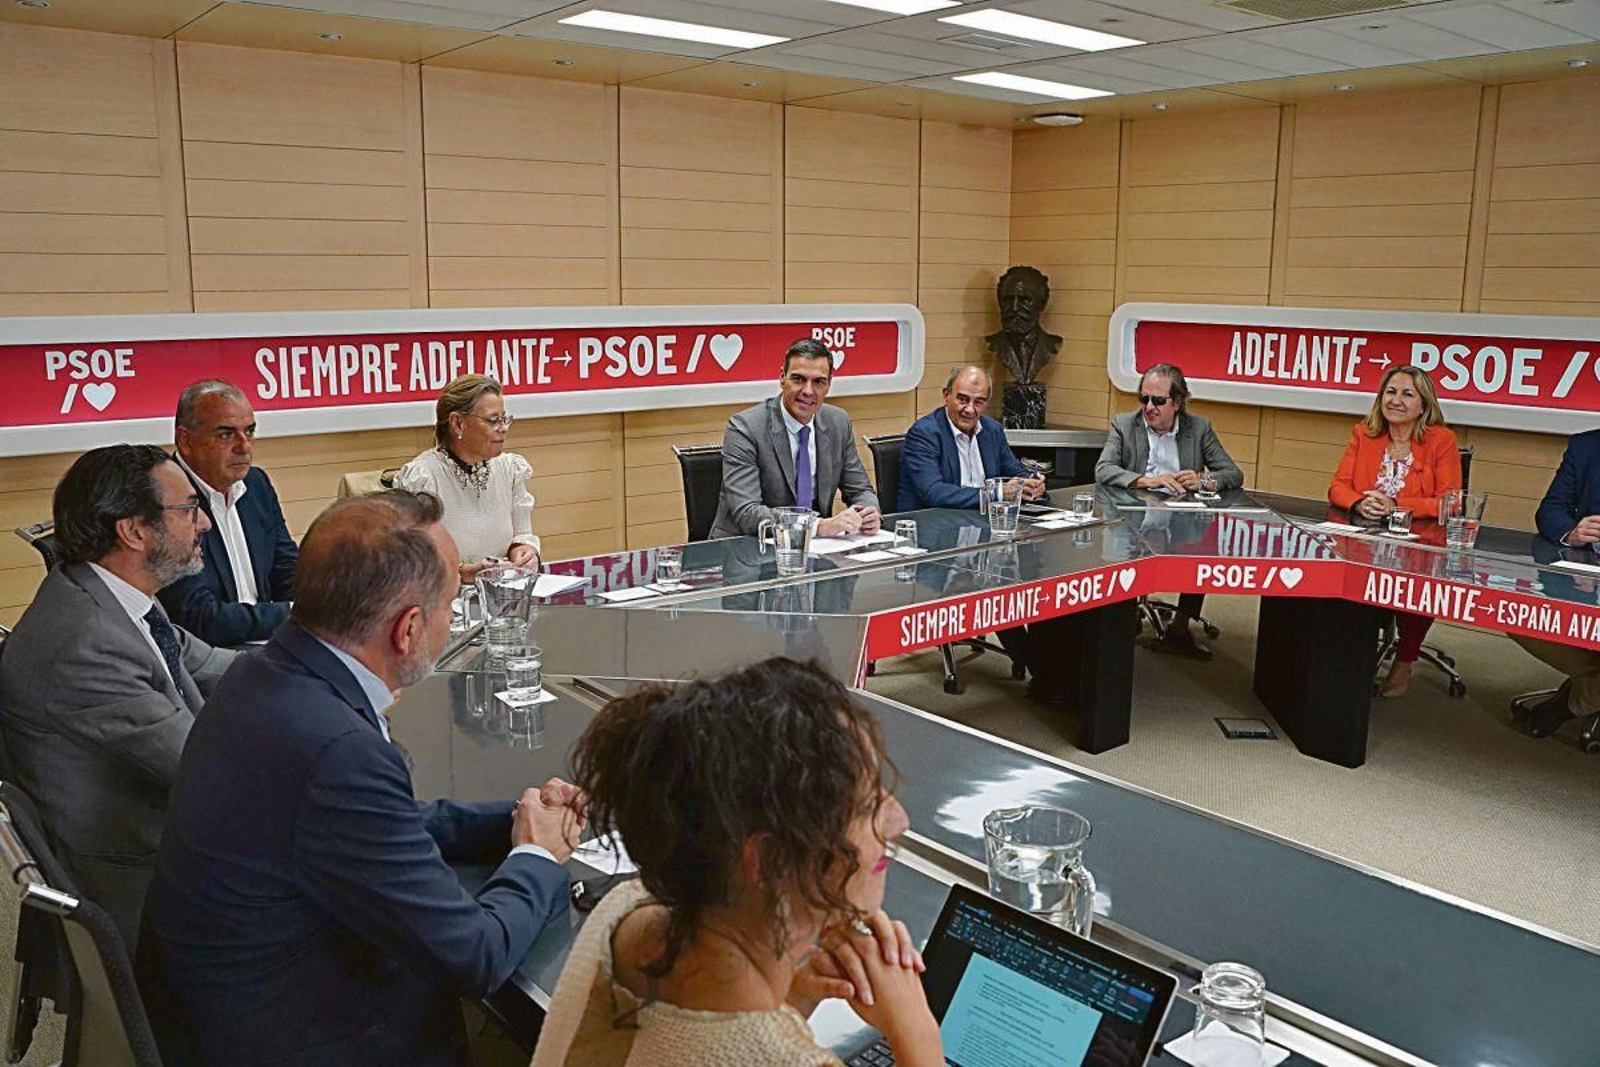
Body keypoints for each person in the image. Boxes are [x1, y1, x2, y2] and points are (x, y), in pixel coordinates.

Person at [139, 490, 581, 1067]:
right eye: (453, 604)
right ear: (409, 629)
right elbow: (474, 957)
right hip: (303, 1034)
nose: (454, 620)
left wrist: (513, 820)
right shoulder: (337, 752)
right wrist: (539, 858)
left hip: (216, 1006)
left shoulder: (262, 674)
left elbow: (383, 823)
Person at [531, 658, 940, 1067]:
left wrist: (790, 999)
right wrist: (916, 1030)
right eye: (866, 808)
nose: (898, 820)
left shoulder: (623, 913)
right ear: (770, 861)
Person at [0, 444, 234, 951]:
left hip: (163, 842)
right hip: (145, 896)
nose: (205, 526)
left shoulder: (110, 598)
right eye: (190, 510)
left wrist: (324, 671)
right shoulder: (87, 643)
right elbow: (207, 769)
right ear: (133, 531)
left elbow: (216, 666)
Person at [900, 365, 1072, 700]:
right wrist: (996, 493)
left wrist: (1030, 484)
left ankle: (1057, 670)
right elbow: (934, 492)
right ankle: (1045, 674)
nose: (969, 409)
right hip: (934, 542)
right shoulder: (924, 433)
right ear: (945, 396)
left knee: (1041, 575)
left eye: (979, 402)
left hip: (985, 535)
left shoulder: (991, 430)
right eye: (962, 399)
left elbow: (1013, 472)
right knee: (1002, 583)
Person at [1328, 365, 1462, 698]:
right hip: (1365, 535)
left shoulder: (1441, 440)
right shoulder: (1364, 433)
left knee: (1420, 578)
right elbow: (1336, 487)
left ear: (1423, 404)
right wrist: (1359, 503)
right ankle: (1345, 659)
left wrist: (1396, 504)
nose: (1396, 400)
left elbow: (1450, 502)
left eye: (1407, 394)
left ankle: (1405, 659)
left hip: (1420, 539)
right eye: (1390, 392)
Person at [1095, 364, 1243, 658]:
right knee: (1116, 551)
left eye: (1158, 401)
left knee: (1200, 555)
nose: (1149, 407)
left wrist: (1204, 480)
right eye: (1144, 399)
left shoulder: (1198, 429)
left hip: (1180, 517)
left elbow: (1233, 474)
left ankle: (1180, 628)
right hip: (1133, 514)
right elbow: (1103, 468)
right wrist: (1144, 480)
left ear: (1177, 402)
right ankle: (1125, 617)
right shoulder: (1124, 425)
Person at [159, 379, 298, 645]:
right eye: (226, 434)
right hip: (208, 657)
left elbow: (286, 567)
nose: (244, 446)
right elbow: (199, 617)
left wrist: (319, 606)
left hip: (270, 641)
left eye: (250, 431)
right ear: (185, 441)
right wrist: (296, 615)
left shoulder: (256, 484)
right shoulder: (165, 500)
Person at [709, 338, 881, 540]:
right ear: (782, 378)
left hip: (814, 550)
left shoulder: (838, 422)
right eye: (798, 379)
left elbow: (860, 489)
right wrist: (817, 526)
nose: (808, 391)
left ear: (828, 385)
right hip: (749, 549)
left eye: (818, 382)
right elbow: (747, 513)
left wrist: (868, 512)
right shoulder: (745, 428)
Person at [397, 374, 540, 583]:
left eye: (505, 419)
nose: (503, 428)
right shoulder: (422, 477)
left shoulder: (510, 469)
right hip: (446, 603)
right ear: (458, 424)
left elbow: (522, 534)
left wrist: (524, 551)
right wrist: (463, 572)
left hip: (502, 596)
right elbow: (415, 563)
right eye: (493, 420)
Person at [1515, 429, 1600, 737]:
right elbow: (1550, 510)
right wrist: (1573, 533)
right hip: (1587, 582)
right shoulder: (1586, 445)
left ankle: (1572, 703)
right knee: (1516, 613)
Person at [984, 265, 1061, 385]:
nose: (1014, 308)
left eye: (1024, 300)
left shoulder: (1050, 345)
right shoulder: (994, 344)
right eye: (1007, 299)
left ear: (1042, 304)